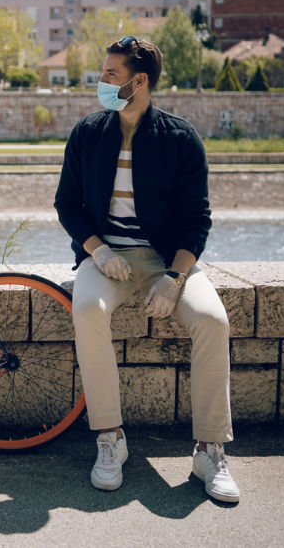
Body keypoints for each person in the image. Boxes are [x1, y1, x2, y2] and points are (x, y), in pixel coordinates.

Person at [53, 36, 240, 503]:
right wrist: (96, 251)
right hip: (107, 257)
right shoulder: (88, 133)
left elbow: (198, 220)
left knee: (214, 321)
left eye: (110, 75)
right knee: (89, 310)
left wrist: (175, 279)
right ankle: (110, 440)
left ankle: (209, 450)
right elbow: (67, 204)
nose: (101, 82)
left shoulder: (179, 139)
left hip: (166, 261)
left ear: (139, 82)